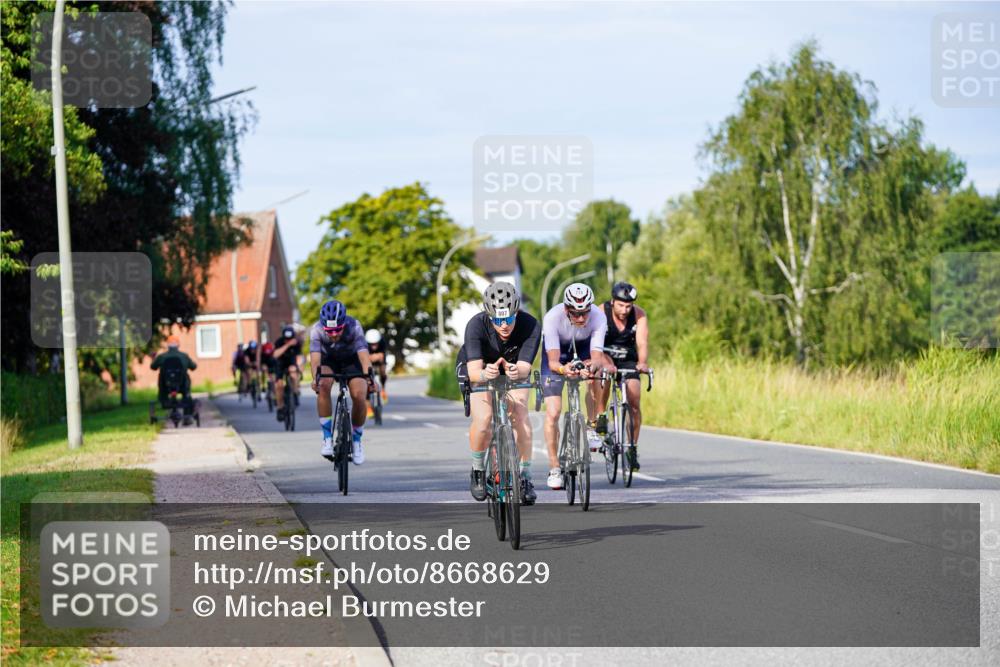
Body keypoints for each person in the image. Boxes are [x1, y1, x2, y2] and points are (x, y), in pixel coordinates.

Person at [456, 282, 542, 504]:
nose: (504, 326)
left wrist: (516, 371)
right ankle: (477, 470)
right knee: (484, 419)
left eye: (509, 320)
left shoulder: (530, 325)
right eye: (497, 320)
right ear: (489, 315)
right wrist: (486, 373)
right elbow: (474, 372)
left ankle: (525, 477)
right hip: (480, 367)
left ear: (517, 313)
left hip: (513, 368)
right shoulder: (475, 325)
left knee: (521, 415)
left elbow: (525, 368)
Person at [540, 283, 610, 490]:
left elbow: (597, 357)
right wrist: (564, 370)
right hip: (557, 354)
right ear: (566, 309)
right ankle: (554, 468)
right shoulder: (552, 318)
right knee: (553, 413)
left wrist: (592, 366)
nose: (581, 318)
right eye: (576, 313)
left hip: (584, 348)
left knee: (596, 375)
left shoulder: (598, 317)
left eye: (584, 313)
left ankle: (591, 426)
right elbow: (552, 362)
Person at [309, 300, 374, 463]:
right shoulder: (316, 330)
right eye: (329, 331)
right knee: (323, 385)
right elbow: (315, 359)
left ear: (344, 323)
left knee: (360, 395)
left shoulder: (354, 326)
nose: (333, 335)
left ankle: (357, 441)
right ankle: (327, 438)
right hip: (329, 361)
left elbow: (364, 355)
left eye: (337, 330)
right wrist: (315, 378)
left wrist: (370, 378)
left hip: (351, 361)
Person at [595, 281, 650, 471]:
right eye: (620, 305)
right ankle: (601, 414)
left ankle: (632, 448)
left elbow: (642, 342)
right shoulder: (602, 310)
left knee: (634, 400)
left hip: (628, 358)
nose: (625, 310)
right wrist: (603, 360)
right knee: (606, 374)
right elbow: (595, 341)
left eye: (628, 306)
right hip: (605, 354)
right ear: (613, 301)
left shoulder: (639, 315)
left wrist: (642, 363)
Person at [151, 335, 197, 424]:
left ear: (168, 345)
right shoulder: (184, 356)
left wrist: (153, 358)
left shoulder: (162, 357)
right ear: (178, 345)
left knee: (162, 381)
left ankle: (164, 401)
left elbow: (153, 367)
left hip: (165, 385)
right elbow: (193, 367)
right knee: (186, 393)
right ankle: (187, 416)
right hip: (182, 385)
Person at [274, 326, 302, 421]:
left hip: (291, 363)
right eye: (286, 339)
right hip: (280, 364)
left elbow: (299, 357)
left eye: (290, 339)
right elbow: (275, 354)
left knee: (294, 372)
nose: (288, 340)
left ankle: (294, 392)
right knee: (279, 385)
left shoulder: (297, 343)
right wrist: (288, 345)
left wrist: (300, 368)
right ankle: (280, 408)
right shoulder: (279, 342)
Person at [365, 329, 389, 412]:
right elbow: (365, 357)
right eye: (371, 344)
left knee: (383, 370)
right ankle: (368, 406)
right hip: (367, 359)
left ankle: (383, 389)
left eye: (375, 344)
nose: (374, 346)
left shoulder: (382, 342)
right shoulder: (364, 344)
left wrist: (377, 357)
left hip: (379, 359)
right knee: (366, 380)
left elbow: (382, 355)